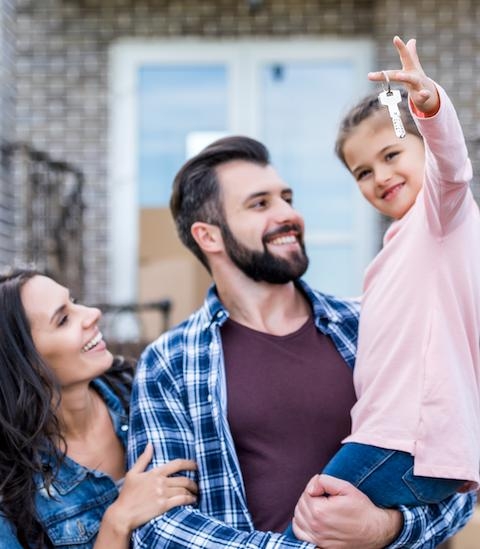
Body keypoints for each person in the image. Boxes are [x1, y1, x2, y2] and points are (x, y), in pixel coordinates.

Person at [128, 132, 475, 547]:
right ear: (209, 236)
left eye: (286, 198)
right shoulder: (170, 362)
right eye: (260, 204)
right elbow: (160, 524)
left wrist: (384, 529)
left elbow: (457, 472)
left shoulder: (367, 326)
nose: (288, 214)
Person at [287, 35, 480, 540]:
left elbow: (453, 168)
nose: (380, 176)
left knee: (310, 530)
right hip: (394, 439)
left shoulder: (441, 216)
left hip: (407, 440)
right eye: (363, 172)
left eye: (393, 153)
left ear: (422, 148)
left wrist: (427, 106)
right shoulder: (396, 249)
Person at [0, 268, 198, 548]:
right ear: (24, 363)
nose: (92, 313)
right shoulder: (11, 493)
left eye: (75, 300)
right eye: (64, 320)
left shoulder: (149, 390)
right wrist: (117, 522)